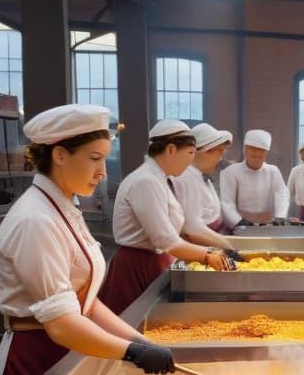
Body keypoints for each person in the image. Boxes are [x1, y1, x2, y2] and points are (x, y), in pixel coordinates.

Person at [0, 104, 177, 375]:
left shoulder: (64, 208)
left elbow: (85, 303)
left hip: (67, 354)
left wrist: (140, 342)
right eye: (94, 158)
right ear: (60, 155)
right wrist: (131, 352)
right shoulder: (35, 220)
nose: (103, 171)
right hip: (38, 362)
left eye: (104, 158)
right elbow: (62, 324)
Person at [99, 120, 235, 315]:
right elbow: (165, 239)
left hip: (154, 259)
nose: (191, 161)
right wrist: (208, 254)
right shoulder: (145, 181)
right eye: (189, 153)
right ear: (171, 149)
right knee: (136, 324)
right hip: (136, 266)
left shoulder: (158, 179)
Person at [171, 122, 236, 241]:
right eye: (219, 151)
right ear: (203, 151)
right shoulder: (183, 178)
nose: (220, 158)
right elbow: (190, 229)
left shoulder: (201, 176)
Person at [219, 129, 289, 230]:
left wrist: (280, 217)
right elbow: (227, 202)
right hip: (240, 226)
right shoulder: (231, 172)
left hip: (267, 226)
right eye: (253, 156)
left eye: (260, 157)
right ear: (245, 151)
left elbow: (282, 195)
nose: (256, 160)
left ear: (266, 154)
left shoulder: (273, 171)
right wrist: (238, 222)